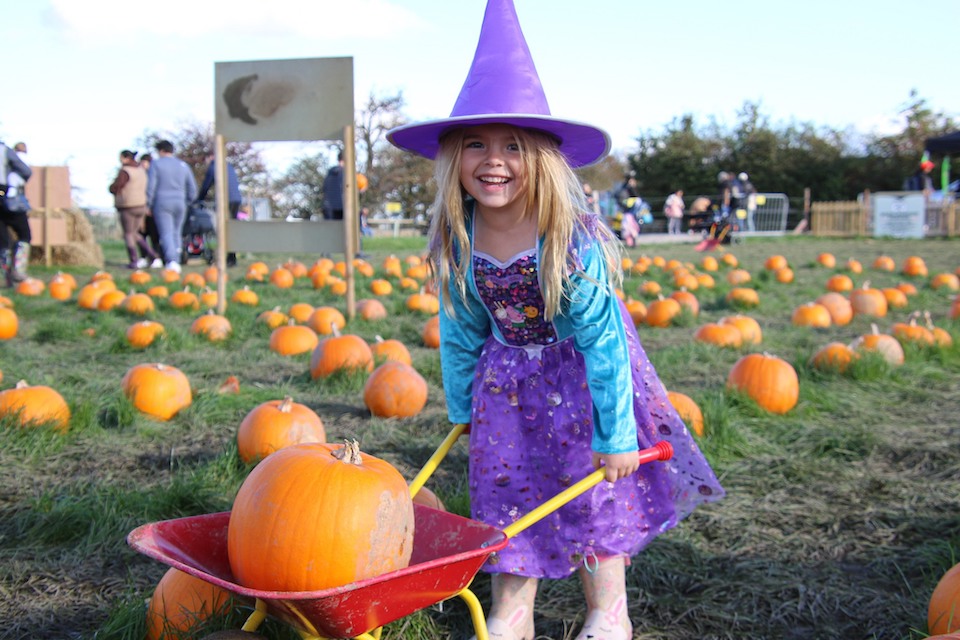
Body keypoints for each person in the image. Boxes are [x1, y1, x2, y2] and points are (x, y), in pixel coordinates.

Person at [387, 2, 724, 639]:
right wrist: (462, 406)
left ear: (540, 157)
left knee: (592, 493)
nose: (494, 160)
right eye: (477, 144)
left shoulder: (570, 239)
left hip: (579, 380)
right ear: (453, 157)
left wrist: (615, 433)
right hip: (505, 386)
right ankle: (512, 613)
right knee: (507, 495)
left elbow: (603, 337)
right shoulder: (459, 237)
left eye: (513, 145)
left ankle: (607, 611)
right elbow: (460, 327)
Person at [146, 140, 197, 273]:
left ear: (161, 151)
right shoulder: (183, 165)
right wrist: (188, 202)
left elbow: (151, 186)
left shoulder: (156, 164)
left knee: (166, 232)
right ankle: (178, 256)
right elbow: (192, 189)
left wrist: (148, 204)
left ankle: (172, 260)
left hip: (162, 202)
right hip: (180, 202)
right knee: (177, 231)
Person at [109, 150, 160, 269]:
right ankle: (153, 255)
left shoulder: (125, 171)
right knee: (135, 233)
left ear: (125, 158)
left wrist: (111, 188)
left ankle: (134, 260)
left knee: (128, 234)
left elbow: (117, 186)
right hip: (141, 205)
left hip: (128, 205)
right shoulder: (141, 171)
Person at [197, 151, 242, 266]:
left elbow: (206, 186)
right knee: (231, 228)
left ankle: (227, 257)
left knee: (222, 229)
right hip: (236, 199)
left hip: (225, 200)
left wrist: (199, 199)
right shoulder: (228, 165)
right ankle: (231, 256)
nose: (206, 162)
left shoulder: (214, 167)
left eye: (206, 159)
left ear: (211, 157)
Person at [0, 140, 34, 286]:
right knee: (24, 234)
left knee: (2, 240)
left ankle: (4, 277)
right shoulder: (4, 150)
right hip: (6, 197)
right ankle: (18, 271)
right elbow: (26, 171)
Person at [137, 154, 163, 268]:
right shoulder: (140, 176)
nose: (143, 165)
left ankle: (156, 257)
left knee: (154, 235)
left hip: (152, 210)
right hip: (142, 209)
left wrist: (150, 206)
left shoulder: (154, 176)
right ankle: (143, 256)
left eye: (144, 163)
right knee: (141, 233)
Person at [614, 173, 641, 246]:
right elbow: (635, 197)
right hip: (628, 212)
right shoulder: (627, 189)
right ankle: (631, 243)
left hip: (628, 212)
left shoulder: (623, 188)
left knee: (629, 228)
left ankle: (631, 243)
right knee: (630, 228)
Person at [322, 151, 344, 220]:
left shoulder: (330, 172)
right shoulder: (346, 174)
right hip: (341, 209)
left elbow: (324, 188)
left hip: (329, 208)